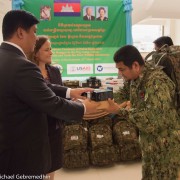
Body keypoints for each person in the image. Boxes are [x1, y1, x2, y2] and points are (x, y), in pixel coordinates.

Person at [0, 10, 99, 178]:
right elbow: (51, 103)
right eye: (34, 32)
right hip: (22, 159)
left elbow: (37, 89)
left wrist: (69, 91)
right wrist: (83, 108)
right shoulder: (22, 66)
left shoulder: (5, 58)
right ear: (20, 32)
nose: (36, 38)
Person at [104, 45, 180, 179]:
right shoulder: (135, 79)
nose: (120, 73)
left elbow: (153, 120)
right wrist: (103, 99)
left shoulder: (156, 82)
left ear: (135, 65)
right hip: (149, 145)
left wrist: (120, 111)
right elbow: (125, 93)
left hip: (165, 148)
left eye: (122, 69)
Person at [29, 35, 94, 180]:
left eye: (51, 49)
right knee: (39, 165)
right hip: (36, 126)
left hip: (55, 125)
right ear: (36, 52)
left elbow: (58, 93)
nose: (51, 52)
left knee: (52, 164)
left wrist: (72, 98)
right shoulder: (29, 72)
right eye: (47, 49)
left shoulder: (55, 71)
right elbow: (45, 92)